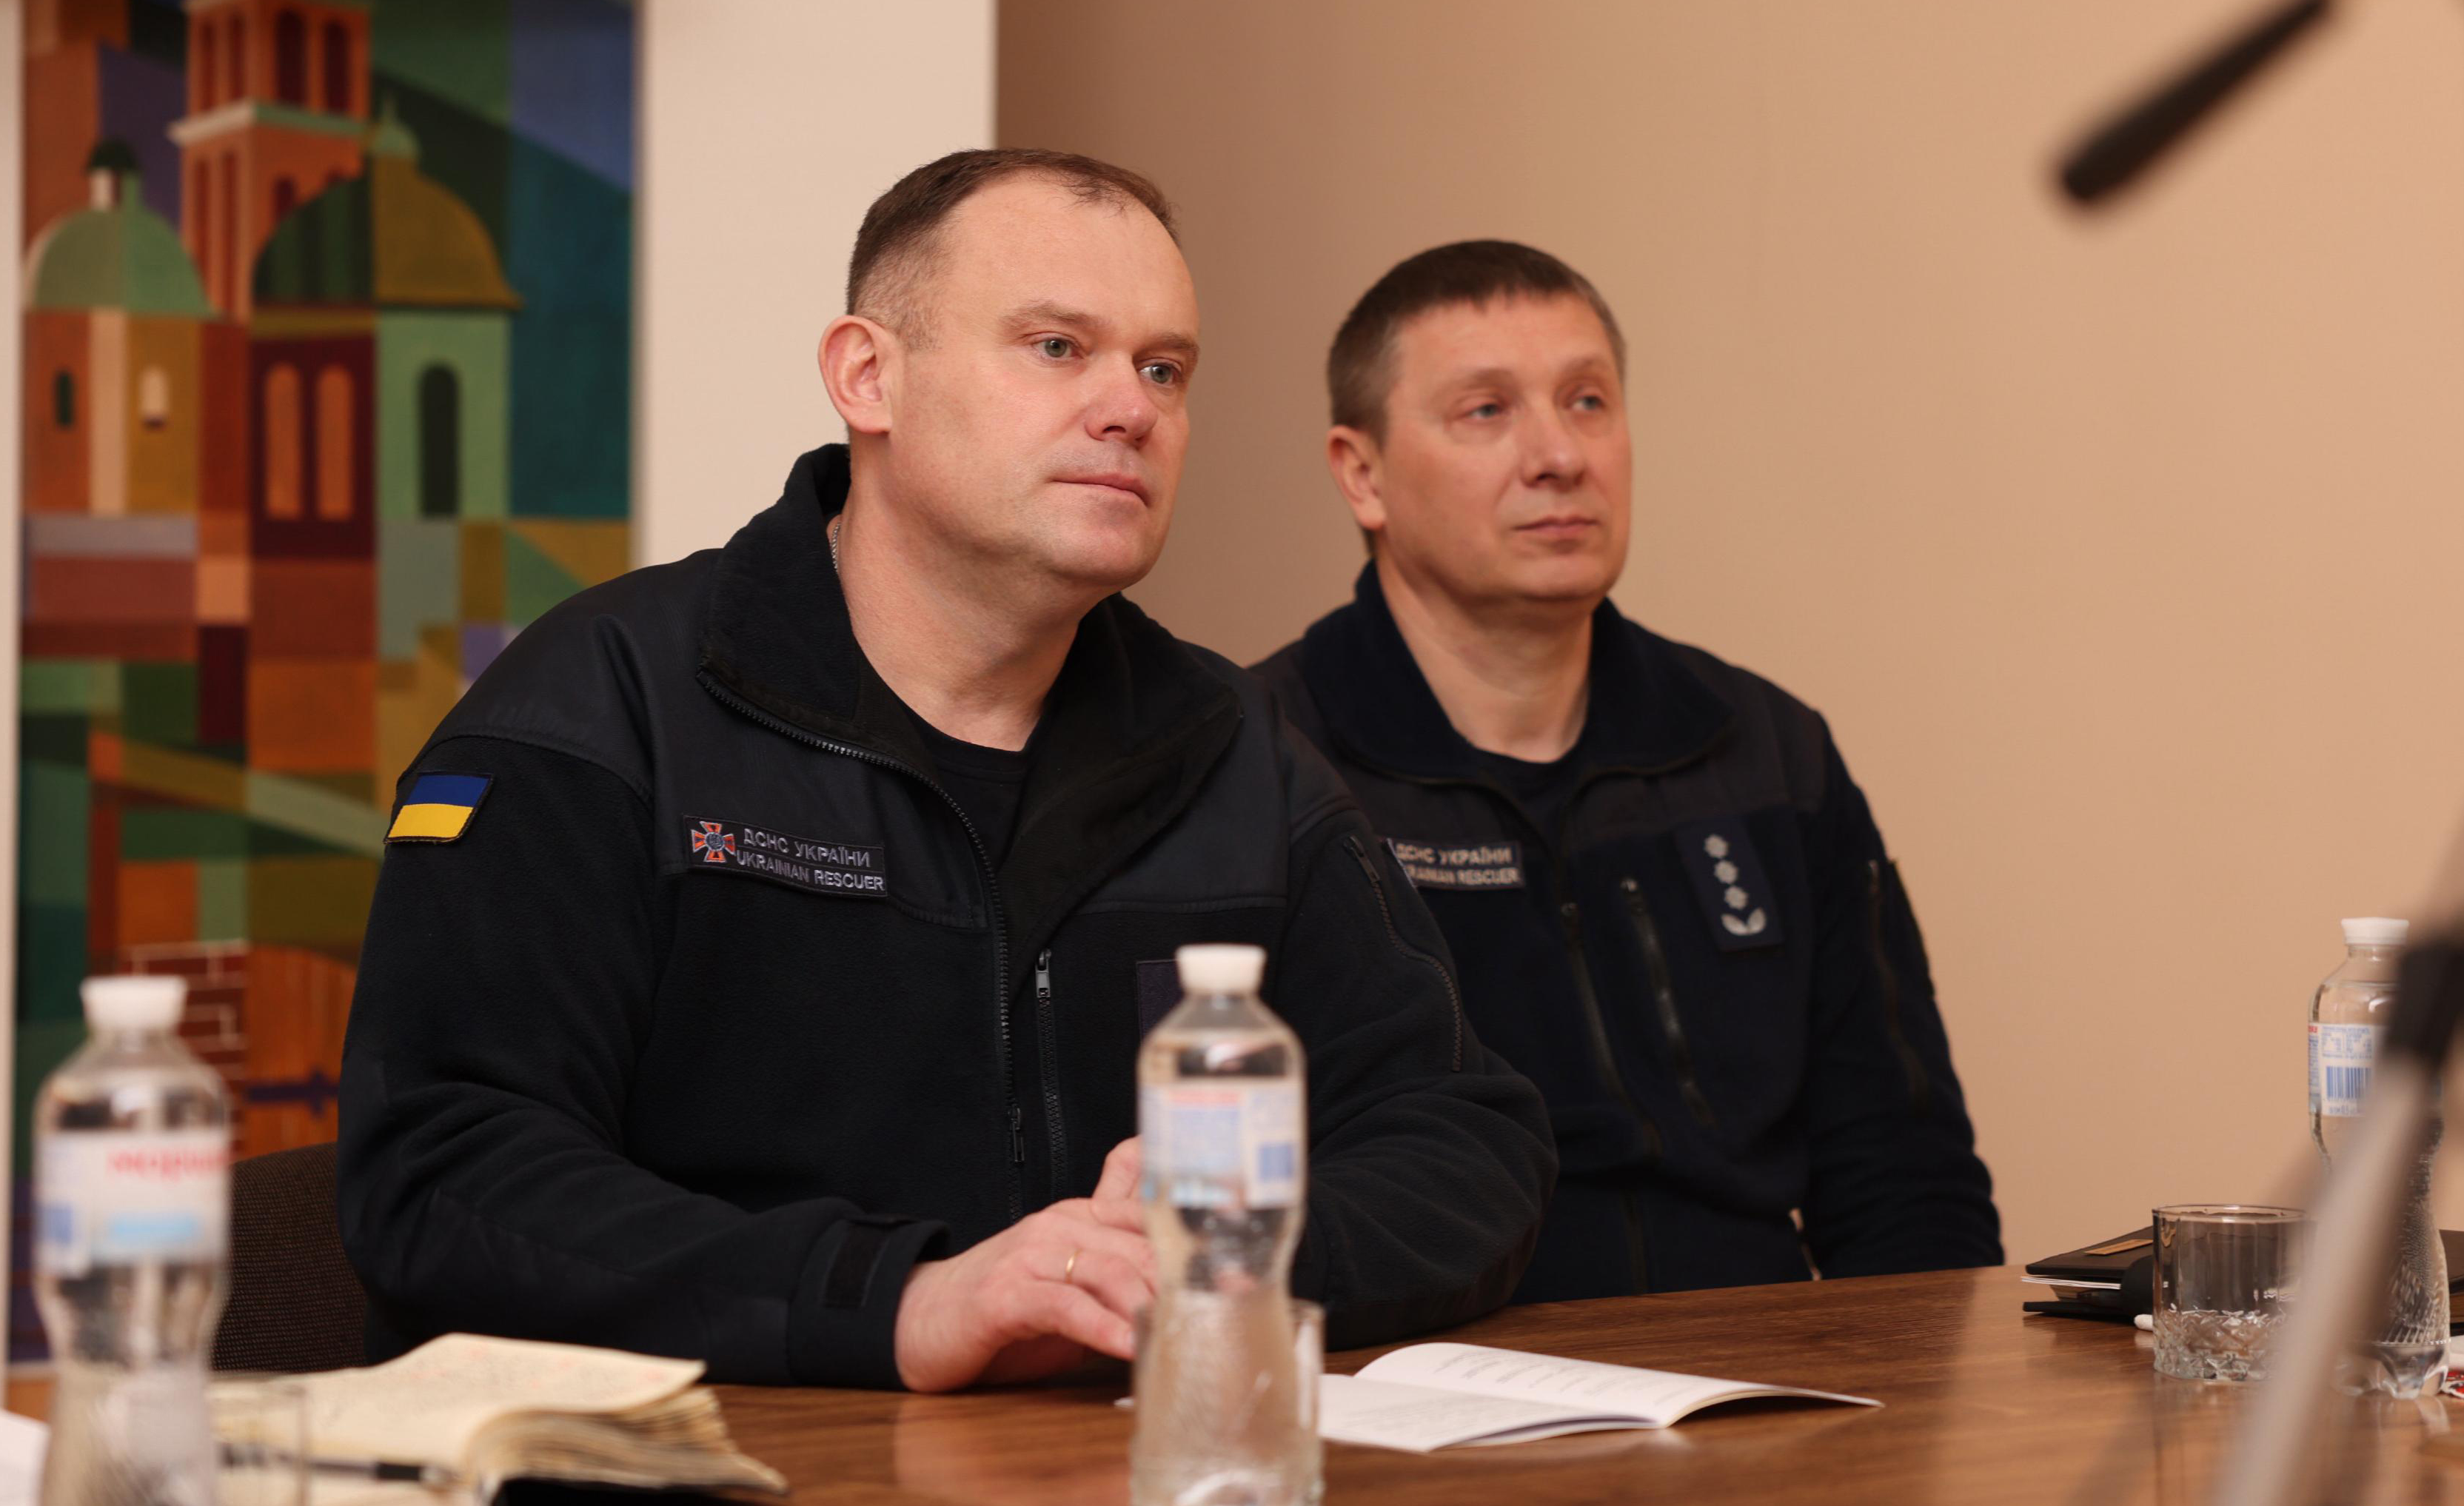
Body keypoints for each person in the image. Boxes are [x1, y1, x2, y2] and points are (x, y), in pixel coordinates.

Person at [337, 152, 1554, 1390]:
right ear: (868, 377)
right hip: (703, 1469)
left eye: (1164, 369)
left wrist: (1211, 1262)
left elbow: (1464, 1140)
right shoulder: (599, 710)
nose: (1129, 409)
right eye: (1056, 347)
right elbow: (442, 1176)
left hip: (1118, 1467)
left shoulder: (1231, 746)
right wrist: (902, 1301)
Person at [1254, 241, 1999, 1300]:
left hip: (1760, 1368)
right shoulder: (1265, 767)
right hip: (1428, 1367)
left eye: (1588, 401)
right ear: (1361, 474)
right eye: (1486, 411)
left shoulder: (1763, 749)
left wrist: (1909, 1386)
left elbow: (1905, 1175)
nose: (1560, 455)